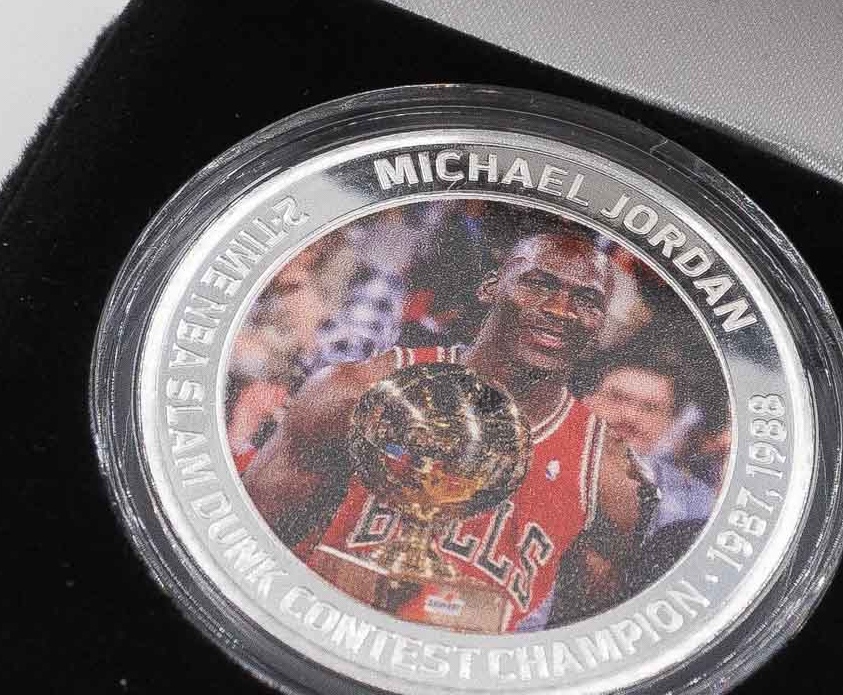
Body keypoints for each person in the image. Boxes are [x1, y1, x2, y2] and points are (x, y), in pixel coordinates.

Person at [243, 229, 656, 634]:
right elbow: (249, 548)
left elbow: (576, 642)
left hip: (458, 673)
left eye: (586, 300)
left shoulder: (610, 477)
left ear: (601, 324)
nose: (561, 309)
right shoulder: (356, 393)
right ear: (490, 287)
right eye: (538, 284)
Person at [588, 362, 719, 574]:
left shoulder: (699, 503)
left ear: (669, 423)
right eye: (617, 398)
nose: (630, 416)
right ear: (586, 399)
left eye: (650, 409)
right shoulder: (539, 461)